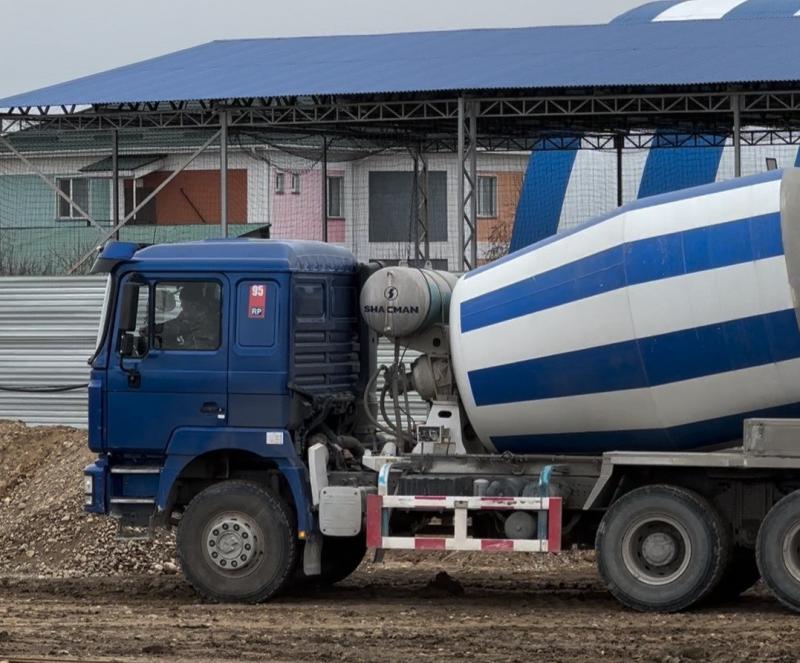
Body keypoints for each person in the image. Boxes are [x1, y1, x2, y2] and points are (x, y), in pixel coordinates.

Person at [158, 282, 220, 350]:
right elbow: (175, 324)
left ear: (193, 305)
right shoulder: (192, 314)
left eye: (183, 303)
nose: (181, 306)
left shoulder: (202, 319)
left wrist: (153, 330)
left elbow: (173, 327)